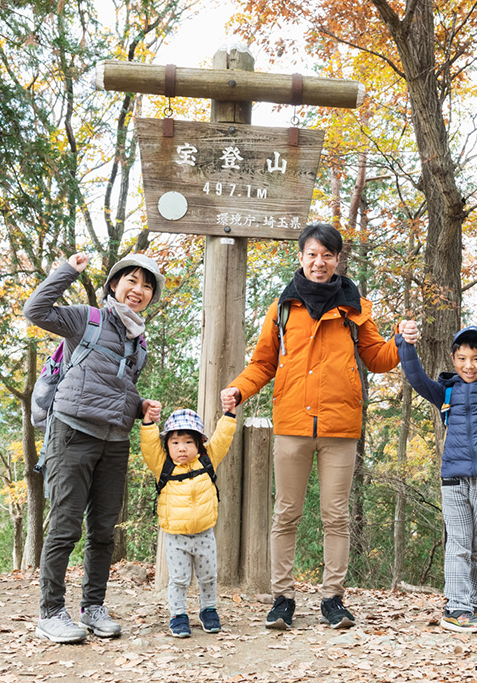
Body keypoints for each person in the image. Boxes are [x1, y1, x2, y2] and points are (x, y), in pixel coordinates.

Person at [220, 222, 418, 630]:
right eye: (312, 254)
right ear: (301, 257)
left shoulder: (354, 307)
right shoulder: (282, 309)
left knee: (336, 516)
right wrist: (239, 390)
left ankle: (333, 600)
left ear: (338, 260)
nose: (319, 262)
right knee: (286, 514)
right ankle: (282, 599)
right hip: (292, 423)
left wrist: (401, 340)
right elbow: (263, 364)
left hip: (339, 427)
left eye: (327, 255)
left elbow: (378, 359)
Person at [24, 251, 165, 644]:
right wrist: (68, 271)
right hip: (71, 432)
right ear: (115, 284)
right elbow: (35, 310)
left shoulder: (139, 343)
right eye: (132, 281)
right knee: (65, 526)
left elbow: (117, 387)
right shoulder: (85, 319)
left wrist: (139, 407)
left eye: (147, 285)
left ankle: (93, 608)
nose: (139, 290)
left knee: (103, 531)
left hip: (115, 442)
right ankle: (51, 612)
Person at [398, 309, 477, 633]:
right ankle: (456, 608)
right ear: (453, 359)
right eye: (463, 358)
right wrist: (405, 343)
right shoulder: (446, 393)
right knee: (458, 542)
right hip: (453, 478)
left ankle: (474, 601)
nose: (469, 365)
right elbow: (416, 377)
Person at [139, 395, 238, 638]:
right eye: (175, 442)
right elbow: (150, 446)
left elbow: (222, 440)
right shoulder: (163, 466)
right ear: (168, 445)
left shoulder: (206, 460)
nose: (181, 448)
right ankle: (178, 614)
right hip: (175, 537)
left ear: (199, 444)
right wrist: (149, 422)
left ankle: (208, 610)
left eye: (187, 442)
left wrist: (229, 415)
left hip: (204, 533)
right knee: (179, 579)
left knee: (208, 576)